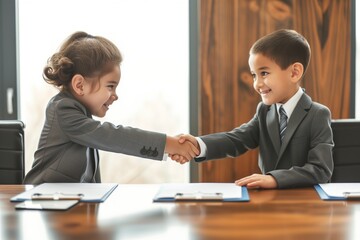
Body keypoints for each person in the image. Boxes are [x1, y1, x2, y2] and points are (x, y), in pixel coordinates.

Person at [23, 31, 198, 184]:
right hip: (42, 204)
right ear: (80, 85)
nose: (115, 95)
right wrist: (171, 144)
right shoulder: (63, 110)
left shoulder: (81, 114)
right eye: (110, 86)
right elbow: (115, 136)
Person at [171, 29, 334, 189]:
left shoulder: (318, 114)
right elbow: (237, 139)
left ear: (294, 73)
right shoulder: (264, 111)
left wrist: (274, 179)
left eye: (264, 73)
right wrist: (198, 145)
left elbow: (320, 170)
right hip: (269, 204)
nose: (257, 84)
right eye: (254, 75)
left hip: (306, 205)